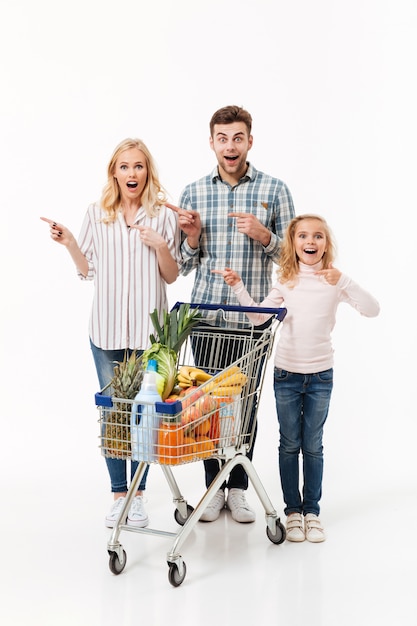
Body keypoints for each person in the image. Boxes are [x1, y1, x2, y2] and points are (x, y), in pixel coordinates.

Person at [41, 138, 181, 529]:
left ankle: (138, 496)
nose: (132, 173)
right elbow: (87, 271)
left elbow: (171, 275)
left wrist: (159, 247)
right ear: (114, 173)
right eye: (124, 166)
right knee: (114, 416)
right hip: (105, 332)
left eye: (138, 166)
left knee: (145, 416)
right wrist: (69, 242)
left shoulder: (162, 217)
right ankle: (119, 494)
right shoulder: (97, 214)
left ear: (147, 172)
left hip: (148, 336)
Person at [213, 214, 380, 541]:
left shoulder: (333, 282)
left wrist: (344, 280)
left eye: (318, 236)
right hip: (287, 374)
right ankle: (292, 512)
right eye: (303, 236)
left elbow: (372, 309)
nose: (310, 242)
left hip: (320, 376)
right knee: (290, 444)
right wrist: (238, 287)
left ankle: (312, 512)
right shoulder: (286, 282)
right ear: (293, 244)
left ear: (326, 244)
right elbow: (258, 319)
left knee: (313, 445)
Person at [167, 105, 295, 523]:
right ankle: (213, 488)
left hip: (251, 323)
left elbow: (294, 258)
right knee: (205, 406)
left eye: (237, 137)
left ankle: (237, 488)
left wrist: (266, 236)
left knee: (244, 407)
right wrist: (191, 238)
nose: (230, 146)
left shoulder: (274, 190)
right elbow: (182, 266)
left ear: (249, 141)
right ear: (212, 143)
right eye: (222, 138)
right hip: (205, 318)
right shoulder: (193, 192)